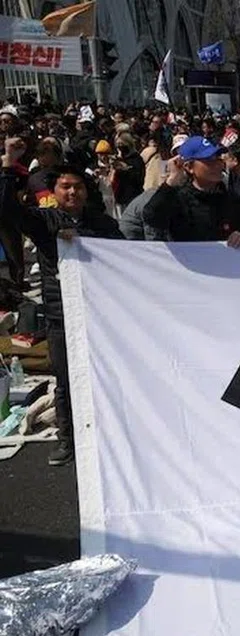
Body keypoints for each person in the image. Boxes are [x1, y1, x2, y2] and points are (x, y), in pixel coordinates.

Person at [0, 138, 123, 466]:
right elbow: (6, 211)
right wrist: (8, 165)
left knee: (107, 378)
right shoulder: (43, 222)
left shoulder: (102, 223)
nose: (72, 193)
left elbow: (128, 257)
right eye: (65, 187)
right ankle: (68, 440)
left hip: (101, 317)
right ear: (54, 192)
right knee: (67, 382)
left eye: (78, 187)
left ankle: (107, 436)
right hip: (61, 317)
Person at [141, 136, 240, 244]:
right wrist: (172, 181)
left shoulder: (230, 198)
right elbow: (151, 217)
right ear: (189, 167)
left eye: (218, 158)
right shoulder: (178, 199)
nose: (217, 165)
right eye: (209, 160)